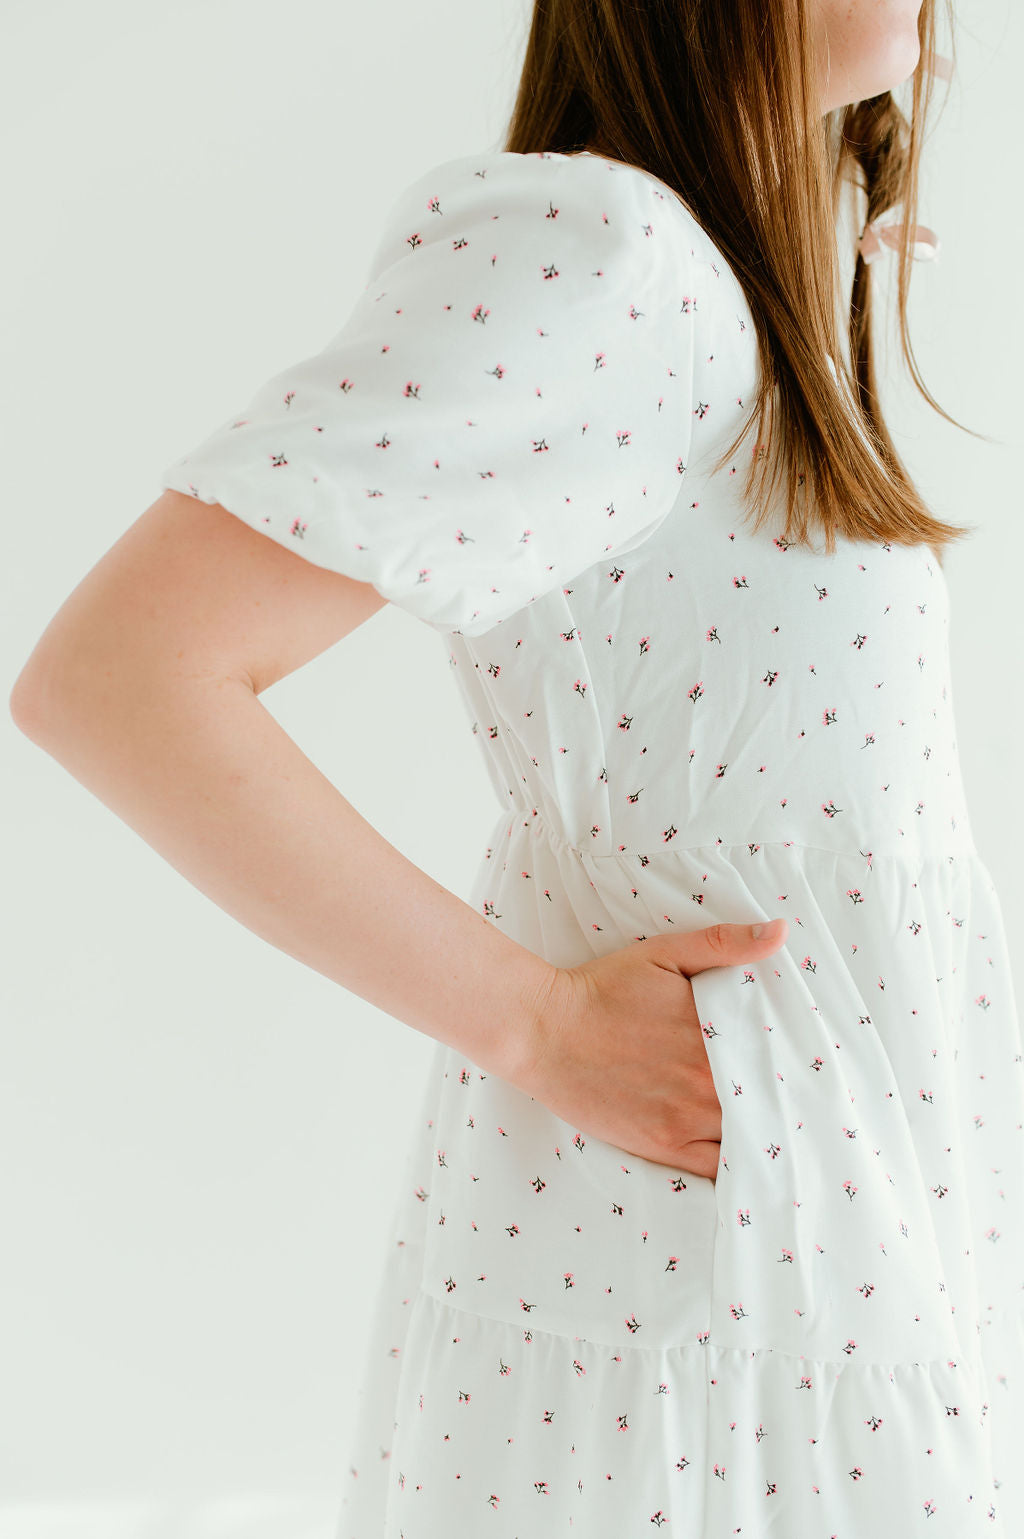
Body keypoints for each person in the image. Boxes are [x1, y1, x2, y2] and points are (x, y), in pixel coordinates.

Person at [10, 0, 1021, 1533]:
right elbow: (121, 677)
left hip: (824, 1217)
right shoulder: (608, 262)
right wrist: (532, 1021)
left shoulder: (733, 289)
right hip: (714, 1231)